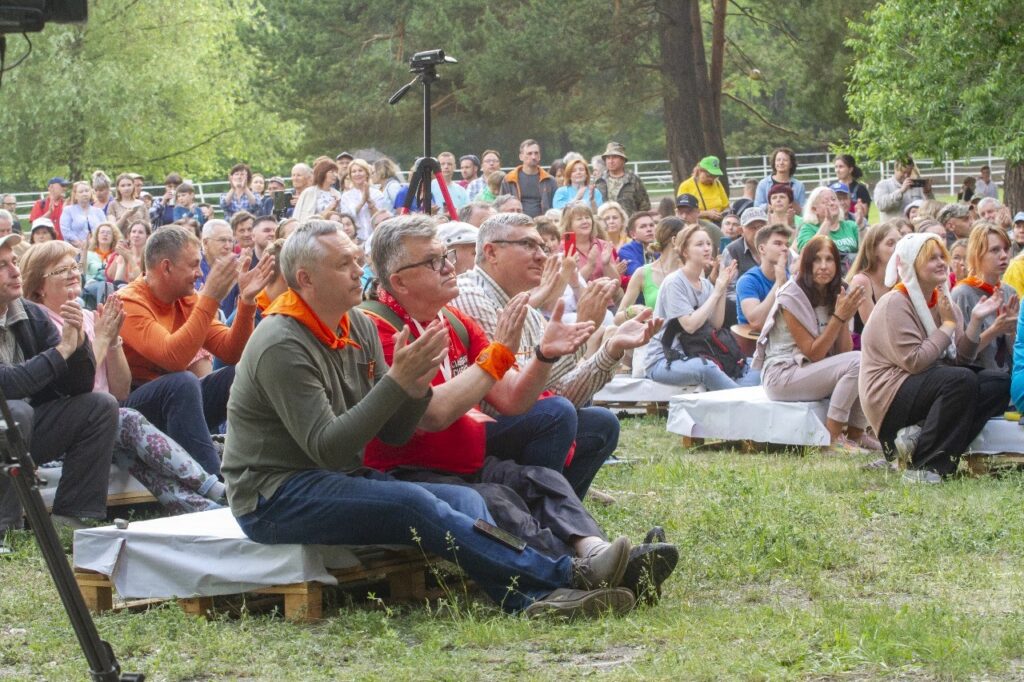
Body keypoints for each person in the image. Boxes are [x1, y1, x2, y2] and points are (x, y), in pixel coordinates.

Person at [222, 220, 637, 618]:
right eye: (343, 264)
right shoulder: (281, 340)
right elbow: (328, 449)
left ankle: (534, 595)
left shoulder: (356, 327)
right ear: (306, 279)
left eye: (356, 259)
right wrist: (398, 382)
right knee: (416, 501)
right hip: (274, 496)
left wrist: (410, 387)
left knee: (467, 499)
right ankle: (565, 575)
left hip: (337, 478)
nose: (359, 271)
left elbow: (397, 429)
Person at [361, 216, 677, 600]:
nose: (449, 266)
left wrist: (543, 355)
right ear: (399, 281)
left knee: (541, 480)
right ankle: (585, 573)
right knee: (497, 498)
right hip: (408, 471)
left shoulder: (452, 320)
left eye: (445, 256)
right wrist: (501, 353)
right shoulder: (377, 328)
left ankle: (598, 554)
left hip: (464, 460)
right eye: (433, 262)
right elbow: (434, 414)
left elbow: (513, 399)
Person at [452, 213, 659, 498]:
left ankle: (561, 513)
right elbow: (514, 397)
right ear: (491, 252)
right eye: (528, 245)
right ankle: (543, 519)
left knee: (601, 424)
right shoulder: (470, 293)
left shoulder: (527, 309)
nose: (542, 257)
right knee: (555, 414)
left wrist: (611, 350)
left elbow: (556, 391)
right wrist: (570, 340)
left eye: (543, 248)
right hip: (470, 433)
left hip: (512, 418)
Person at [21, 241, 225, 514]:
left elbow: (120, 391)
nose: (72, 274)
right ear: (38, 287)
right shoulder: (38, 324)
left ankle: (207, 510)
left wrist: (114, 343)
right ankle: (213, 487)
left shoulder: (89, 316)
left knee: (129, 446)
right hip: (71, 426)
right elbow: (79, 392)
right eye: (60, 271)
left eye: (73, 266)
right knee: (125, 419)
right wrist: (103, 339)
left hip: (107, 417)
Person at [117, 226, 275, 475]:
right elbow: (173, 360)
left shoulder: (186, 298)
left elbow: (231, 352)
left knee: (243, 373)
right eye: (193, 265)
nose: (200, 273)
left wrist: (246, 302)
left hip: (177, 402)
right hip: (131, 410)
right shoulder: (129, 301)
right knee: (181, 382)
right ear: (166, 267)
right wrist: (210, 297)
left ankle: (263, 463)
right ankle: (215, 482)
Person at [859, 233, 1009, 482]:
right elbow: (915, 361)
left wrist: (975, 321)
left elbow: (961, 358)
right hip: (889, 397)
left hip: (929, 386)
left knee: (998, 384)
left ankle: (918, 442)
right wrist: (948, 324)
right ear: (912, 264)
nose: (941, 262)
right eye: (932, 258)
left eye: (942, 256)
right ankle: (925, 465)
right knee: (960, 380)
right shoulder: (895, 302)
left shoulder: (943, 299)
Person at [0, 232, 119, 542]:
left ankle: (71, 519)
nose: (15, 271)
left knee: (101, 406)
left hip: (21, 432)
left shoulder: (30, 313)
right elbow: (8, 385)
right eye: (3, 266)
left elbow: (80, 385)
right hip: (11, 421)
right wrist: (63, 350)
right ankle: (5, 530)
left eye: (14, 262)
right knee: (15, 411)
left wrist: (77, 342)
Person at [753, 235, 873, 451]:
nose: (824, 266)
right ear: (807, 264)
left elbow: (843, 352)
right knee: (859, 360)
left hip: (810, 370)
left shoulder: (839, 292)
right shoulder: (792, 295)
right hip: (782, 374)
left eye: (830, 260)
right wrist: (839, 317)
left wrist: (844, 317)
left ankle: (856, 433)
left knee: (867, 359)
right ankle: (832, 439)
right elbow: (813, 353)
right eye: (817, 260)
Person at [643, 224, 760, 390]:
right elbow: (690, 326)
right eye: (699, 245)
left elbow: (716, 324)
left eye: (708, 244)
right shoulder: (674, 282)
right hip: (664, 360)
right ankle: (740, 401)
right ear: (685, 252)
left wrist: (723, 286)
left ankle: (741, 395)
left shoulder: (705, 285)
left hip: (701, 352)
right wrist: (717, 291)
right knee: (706, 368)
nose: (706, 249)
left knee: (756, 364)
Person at [950, 222, 1018, 372]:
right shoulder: (962, 293)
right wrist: (994, 330)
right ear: (977, 254)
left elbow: (1016, 352)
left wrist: (1011, 330)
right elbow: (959, 357)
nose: (1004, 255)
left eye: (1006, 249)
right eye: (995, 250)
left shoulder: (1009, 292)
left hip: (1009, 372)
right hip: (978, 377)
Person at [615, 217, 685, 321]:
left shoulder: (693, 269)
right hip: (655, 334)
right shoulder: (642, 273)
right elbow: (617, 319)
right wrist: (632, 311)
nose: (649, 229)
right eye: (688, 237)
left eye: (651, 225)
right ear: (674, 240)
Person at [846, 222, 900, 348]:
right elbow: (874, 328)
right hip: (866, 348)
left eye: (900, 242)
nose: (898, 248)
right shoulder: (862, 281)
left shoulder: (901, 278)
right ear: (874, 250)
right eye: (890, 243)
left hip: (895, 344)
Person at [735, 224, 792, 331]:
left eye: (787, 245)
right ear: (762, 249)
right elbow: (756, 323)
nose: (785, 248)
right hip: (753, 343)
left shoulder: (791, 279)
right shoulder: (748, 281)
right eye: (778, 243)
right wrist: (779, 284)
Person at [795, 187, 860, 270]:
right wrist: (827, 222)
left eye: (834, 199)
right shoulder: (808, 228)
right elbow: (808, 255)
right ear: (814, 209)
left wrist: (862, 227)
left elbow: (866, 251)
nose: (832, 203)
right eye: (825, 202)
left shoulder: (851, 226)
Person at [561, 202, 623, 286]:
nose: (585, 221)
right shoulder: (563, 248)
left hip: (605, 296)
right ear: (569, 225)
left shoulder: (603, 244)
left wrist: (606, 264)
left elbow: (617, 283)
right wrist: (589, 266)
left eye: (587, 217)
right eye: (579, 219)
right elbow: (566, 286)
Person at [500, 140, 557, 218]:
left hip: (543, 224)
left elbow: (555, 208)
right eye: (529, 153)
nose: (533, 157)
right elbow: (501, 206)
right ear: (521, 157)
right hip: (516, 222)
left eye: (536, 153)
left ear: (539, 156)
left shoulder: (550, 180)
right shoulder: (509, 180)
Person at [592, 142, 650, 216]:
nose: (611, 161)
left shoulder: (633, 180)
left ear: (623, 160)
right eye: (608, 158)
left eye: (615, 157)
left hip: (628, 225)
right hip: (604, 224)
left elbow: (644, 207)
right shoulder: (599, 181)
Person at [340, 159, 390, 242]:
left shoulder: (377, 194)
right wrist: (362, 202)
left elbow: (382, 219)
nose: (357, 174)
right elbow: (347, 218)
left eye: (360, 170)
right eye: (354, 171)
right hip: (355, 240)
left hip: (375, 238)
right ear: (350, 175)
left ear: (367, 173)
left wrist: (370, 203)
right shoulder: (346, 196)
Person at [874, 157, 933, 222]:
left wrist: (928, 193)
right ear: (895, 169)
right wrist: (901, 191)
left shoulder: (916, 185)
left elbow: (932, 209)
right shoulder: (883, 184)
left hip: (914, 229)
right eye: (903, 172)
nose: (906, 175)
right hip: (892, 229)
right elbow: (881, 206)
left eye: (909, 172)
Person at [676, 156, 729, 223]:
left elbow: (726, 206)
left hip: (718, 225)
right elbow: (681, 212)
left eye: (715, 176)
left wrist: (721, 214)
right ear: (699, 171)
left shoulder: (718, 184)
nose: (712, 179)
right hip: (696, 225)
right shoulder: (686, 186)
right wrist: (707, 214)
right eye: (709, 175)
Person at [59, 181, 106, 247]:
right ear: (75, 195)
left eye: (87, 191)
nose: (84, 194)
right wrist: (80, 244)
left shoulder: (98, 211)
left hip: (97, 248)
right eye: (81, 192)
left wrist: (93, 243)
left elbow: (105, 228)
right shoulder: (68, 210)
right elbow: (66, 231)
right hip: (75, 249)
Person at [616, 210, 657, 282]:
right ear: (633, 235)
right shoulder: (626, 250)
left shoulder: (660, 247)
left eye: (651, 225)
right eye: (643, 226)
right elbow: (638, 274)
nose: (649, 229)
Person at [105, 220, 148, 286]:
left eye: (140, 232)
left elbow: (142, 280)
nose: (136, 235)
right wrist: (119, 254)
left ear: (147, 236)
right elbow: (111, 277)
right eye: (133, 232)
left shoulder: (149, 256)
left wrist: (129, 258)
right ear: (128, 236)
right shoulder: (123, 253)